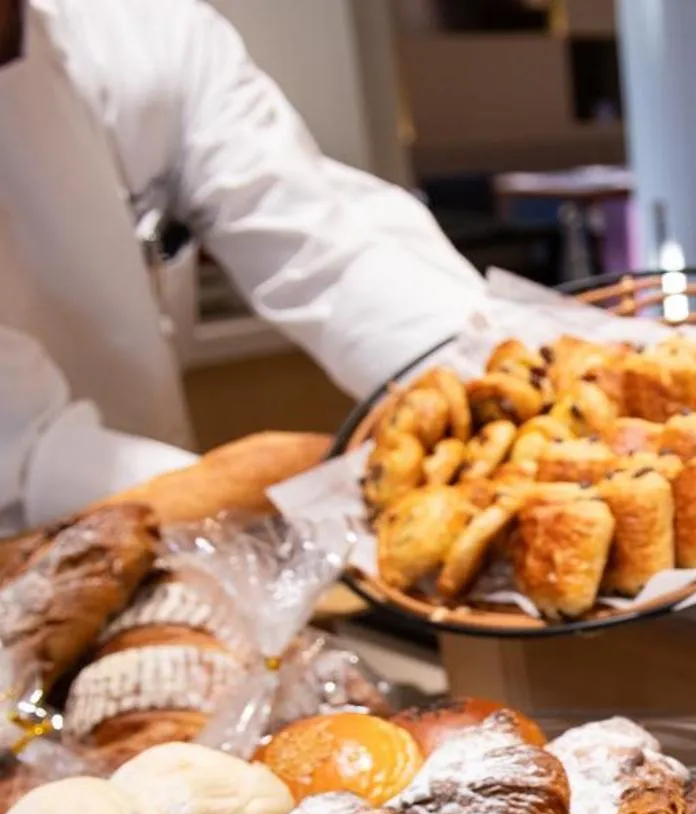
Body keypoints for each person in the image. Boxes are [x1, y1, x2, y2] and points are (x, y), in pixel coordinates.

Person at [0, 0, 485, 532]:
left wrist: (492, 376)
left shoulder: (143, 32)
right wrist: (276, 496)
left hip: (171, 533)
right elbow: (20, 451)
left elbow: (323, 242)